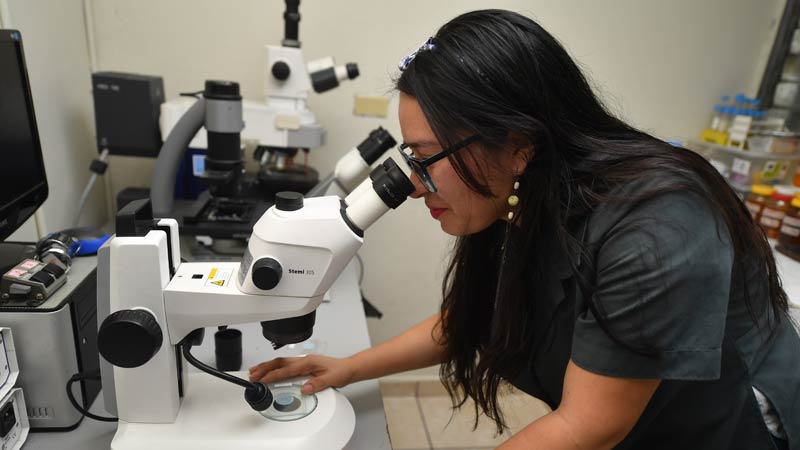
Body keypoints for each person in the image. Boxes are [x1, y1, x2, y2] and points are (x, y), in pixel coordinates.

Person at [250, 9, 800, 450]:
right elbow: (474, 314)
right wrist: (349, 366)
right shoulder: (530, 196)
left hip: (729, 428)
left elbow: (588, 427)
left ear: (517, 145)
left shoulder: (658, 227)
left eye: (424, 158)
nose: (413, 186)